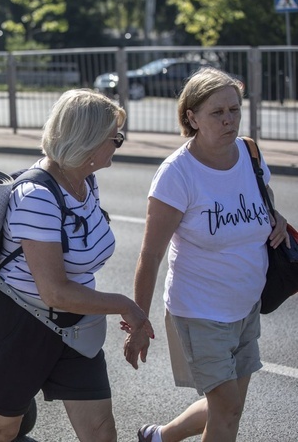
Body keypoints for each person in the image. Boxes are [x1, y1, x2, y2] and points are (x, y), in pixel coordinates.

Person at [0, 89, 154, 442]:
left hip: (75, 326)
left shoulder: (85, 181)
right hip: (20, 326)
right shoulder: (36, 196)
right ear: (89, 140)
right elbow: (54, 291)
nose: (119, 143)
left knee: (101, 431)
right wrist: (127, 307)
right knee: (3, 430)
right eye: (116, 138)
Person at [124, 67, 290, 442]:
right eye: (217, 112)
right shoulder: (177, 175)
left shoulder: (249, 152)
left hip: (246, 306)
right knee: (227, 408)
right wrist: (138, 322)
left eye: (234, 109)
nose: (229, 119)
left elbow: (261, 204)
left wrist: (276, 219)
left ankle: (158, 437)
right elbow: (150, 255)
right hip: (200, 312)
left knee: (227, 406)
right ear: (191, 117)